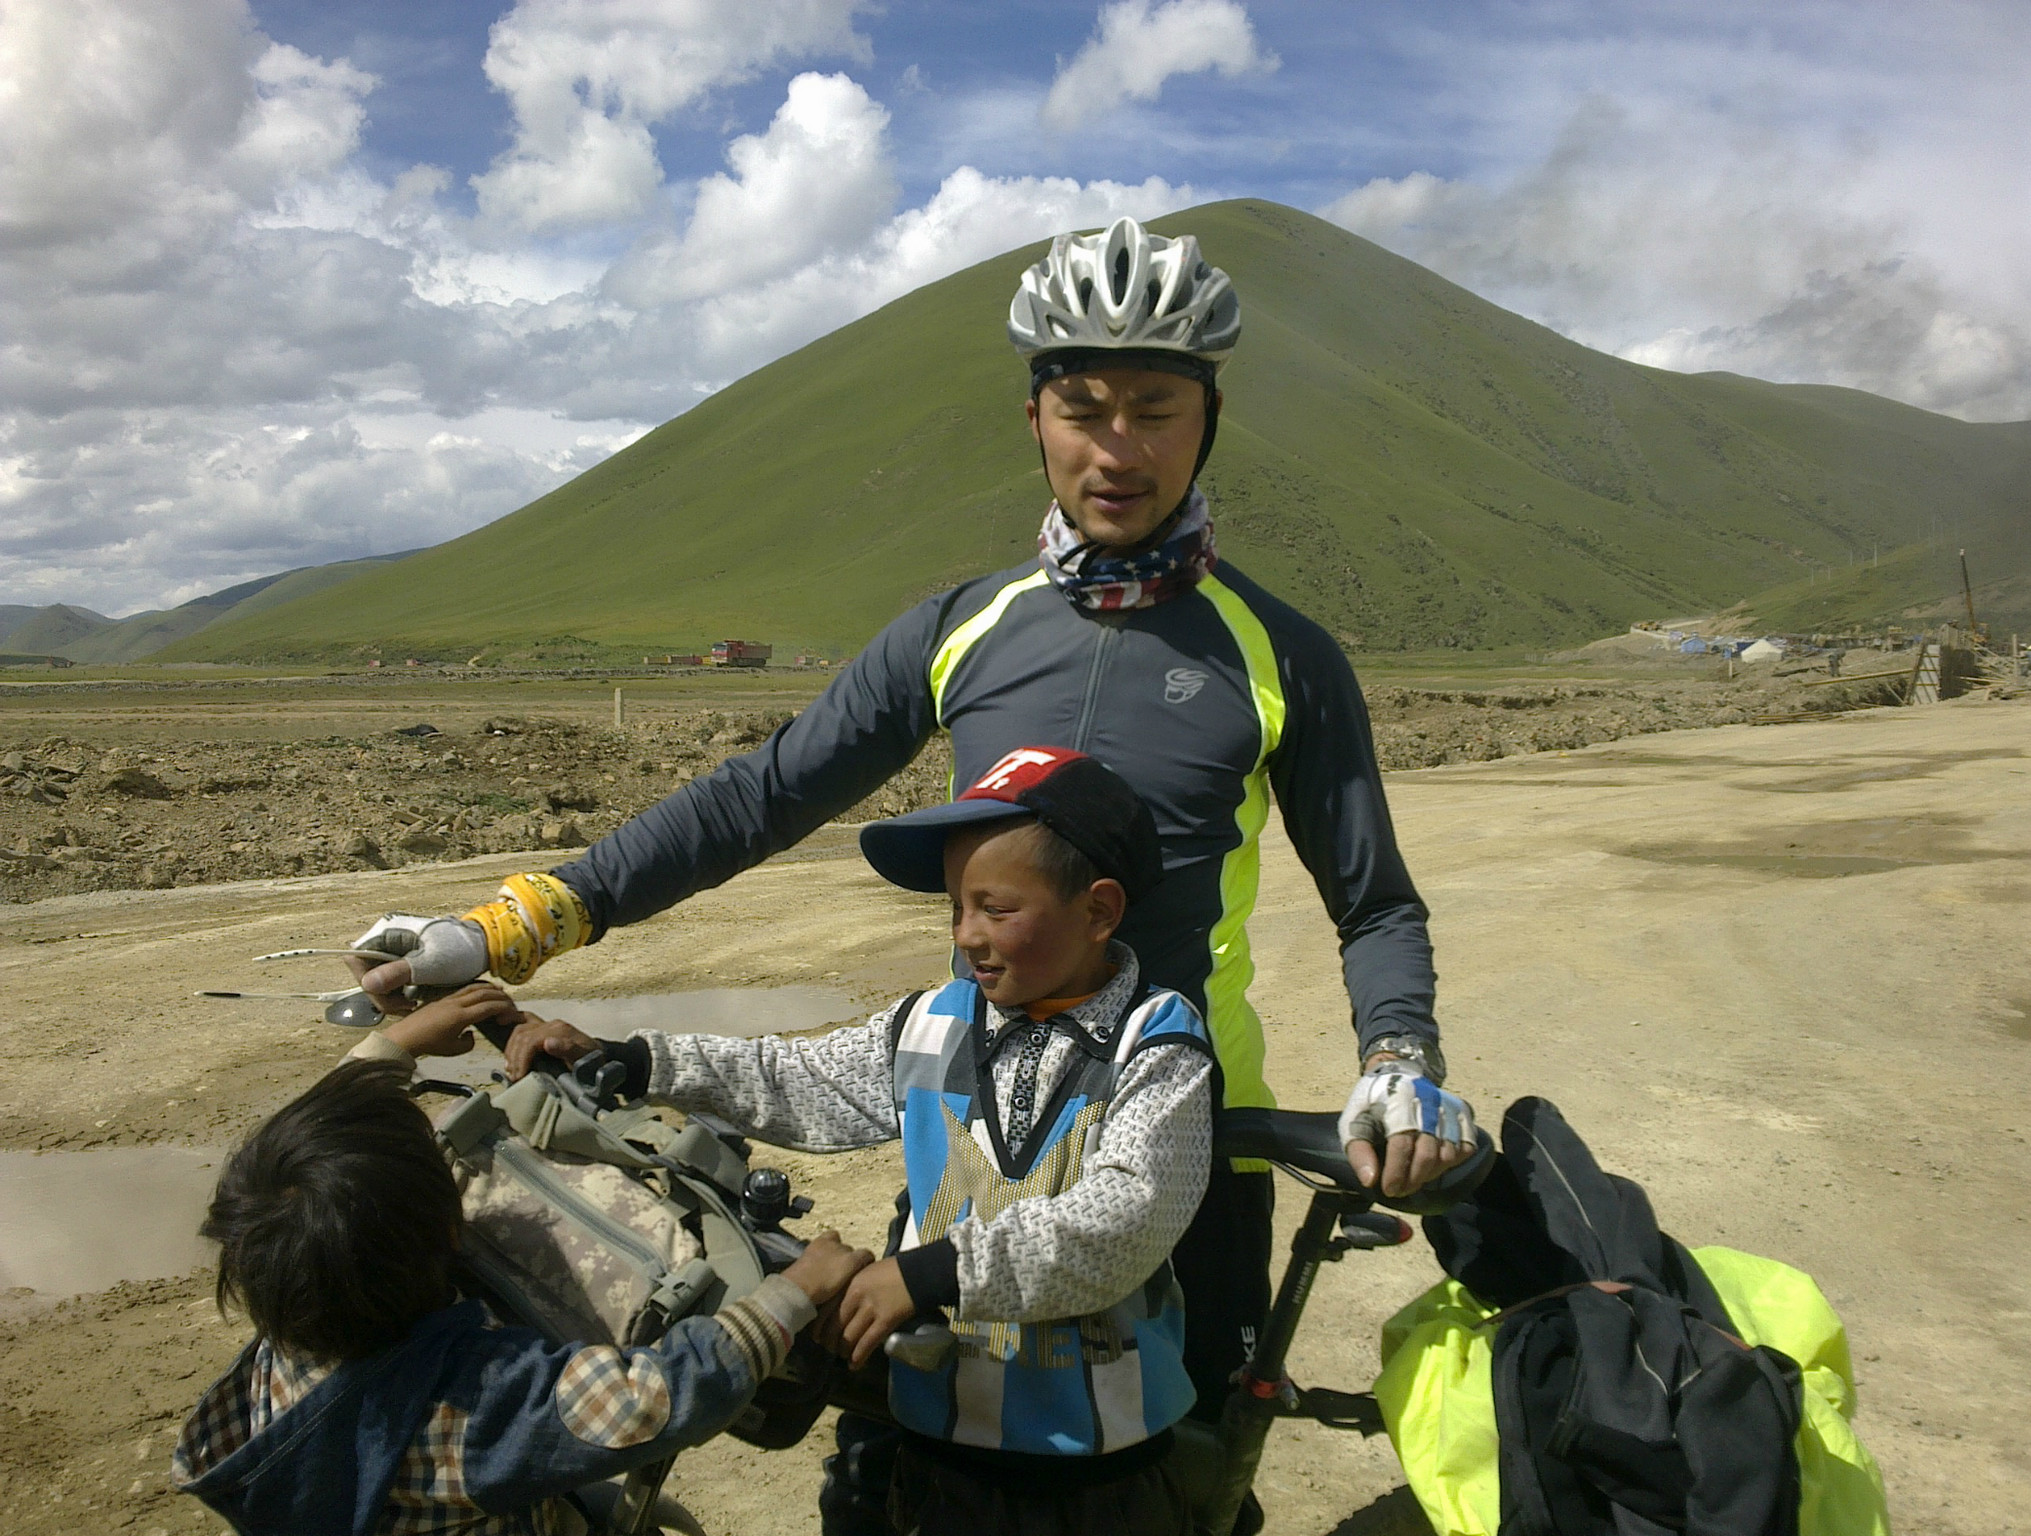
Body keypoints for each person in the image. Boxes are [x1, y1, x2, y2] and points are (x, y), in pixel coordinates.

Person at [349, 214, 1476, 1534]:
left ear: (1208, 420)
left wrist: (1402, 1050)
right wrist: (517, 925)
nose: (1117, 448)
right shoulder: (963, 630)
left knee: (1175, 1495)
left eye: (1156, 410)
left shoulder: (1278, 653)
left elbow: (1376, 900)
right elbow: (761, 796)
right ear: (1035, 417)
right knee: (917, 1482)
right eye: (1085, 407)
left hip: (1184, 1149)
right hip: (968, 1153)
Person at [504, 749, 1214, 1536]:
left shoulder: (1157, 1043)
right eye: (954, 907)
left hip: (1097, 1468)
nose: (967, 935)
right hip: (932, 1442)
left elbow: (1126, 1218)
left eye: (996, 909)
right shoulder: (933, 1021)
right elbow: (795, 1079)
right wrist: (640, 1060)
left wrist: (930, 1272)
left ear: (1100, 911)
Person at [172, 986, 873, 1536]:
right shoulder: (468, 1412)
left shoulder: (299, 1304)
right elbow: (652, 1395)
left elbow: (300, 1159)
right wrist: (792, 1292)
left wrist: (394, 1044)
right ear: (450, 1233)